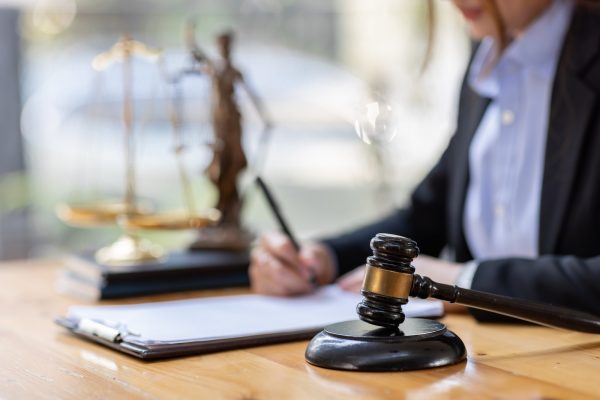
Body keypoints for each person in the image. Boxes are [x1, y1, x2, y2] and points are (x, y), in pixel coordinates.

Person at [249, 0, 600, 318]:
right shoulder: (490, 63)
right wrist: (321, 259)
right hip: (487, 360)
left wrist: (465, 282)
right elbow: (425, 219)